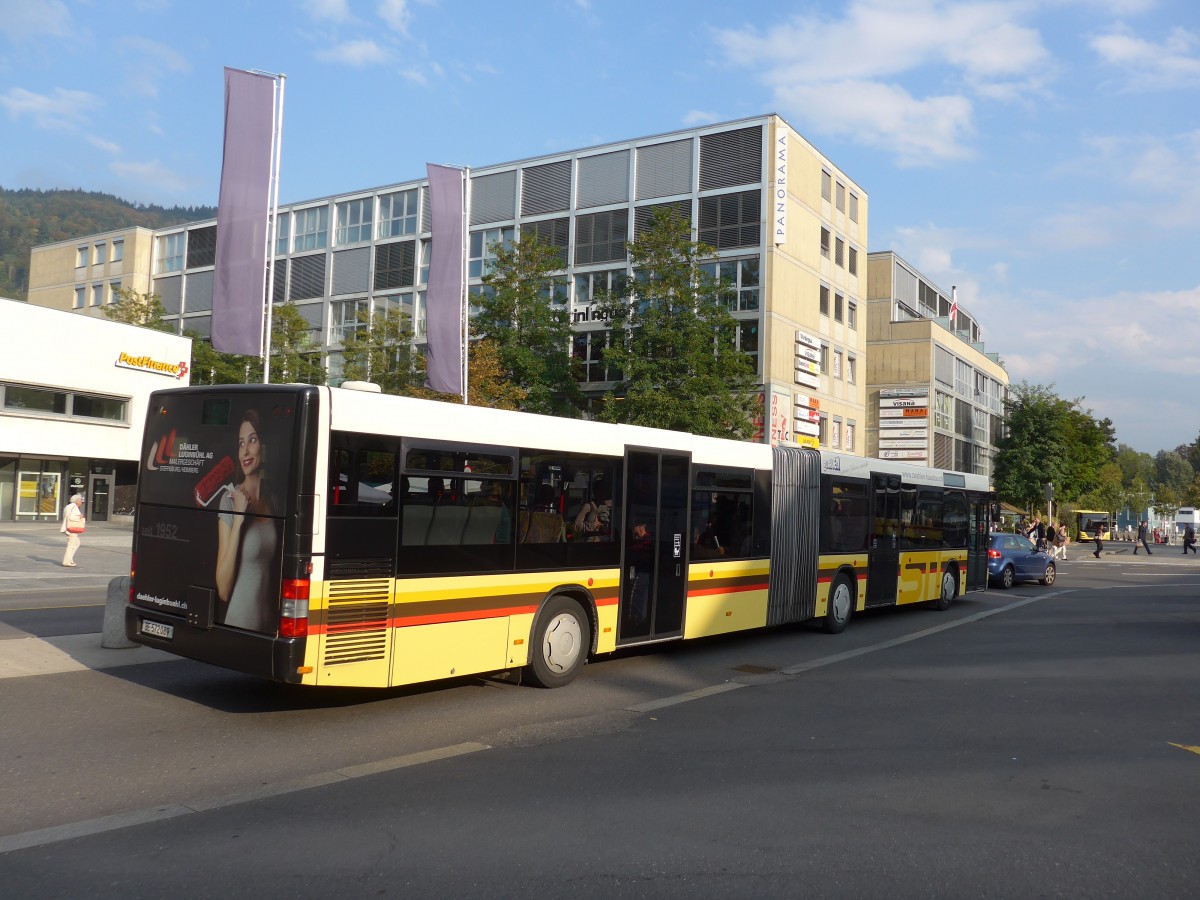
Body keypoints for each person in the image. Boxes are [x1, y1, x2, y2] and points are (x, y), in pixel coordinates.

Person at [215, 409, 279, 632]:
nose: (246, 450)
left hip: (270, 628)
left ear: (264, 445)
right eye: (241, 443)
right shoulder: (230, 501)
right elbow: (223, 589)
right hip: (240, 626)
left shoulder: (274, 500)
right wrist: (240, 519)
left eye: (252, 440)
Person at [60, 493, 85, 567]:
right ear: (77, 500)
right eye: (80, 500)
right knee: (71, 545)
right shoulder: (74, 507)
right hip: (72, 528)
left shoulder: (69, 506)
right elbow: (72, 517)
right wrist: (79, 516)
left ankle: (69, 559)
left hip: (69, 527)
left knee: (76, 543)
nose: (81, 502)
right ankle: (67, 561)